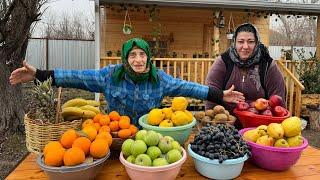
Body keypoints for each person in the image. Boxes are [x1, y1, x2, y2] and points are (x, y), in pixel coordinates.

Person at [10, 38, 244, 127]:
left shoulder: (159, 78)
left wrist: (218, 95)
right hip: (113, 137)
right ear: (125, 59)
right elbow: (76, 76)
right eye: (132, 55)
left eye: (142, 55)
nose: (138, 60)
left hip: (147, 136)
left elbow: (188, 87)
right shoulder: (110, 75)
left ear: (148, 57)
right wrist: (39, 74)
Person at [205, 23, 286, 116]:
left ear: (257, 43)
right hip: (226, 123)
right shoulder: (223, 62)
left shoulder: (267, 65)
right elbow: (211, 94)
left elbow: (279, 102)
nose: (245, 46)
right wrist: (211, 122)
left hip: (259, 126)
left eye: (250, 41)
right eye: (241, 41)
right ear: (234, 43)